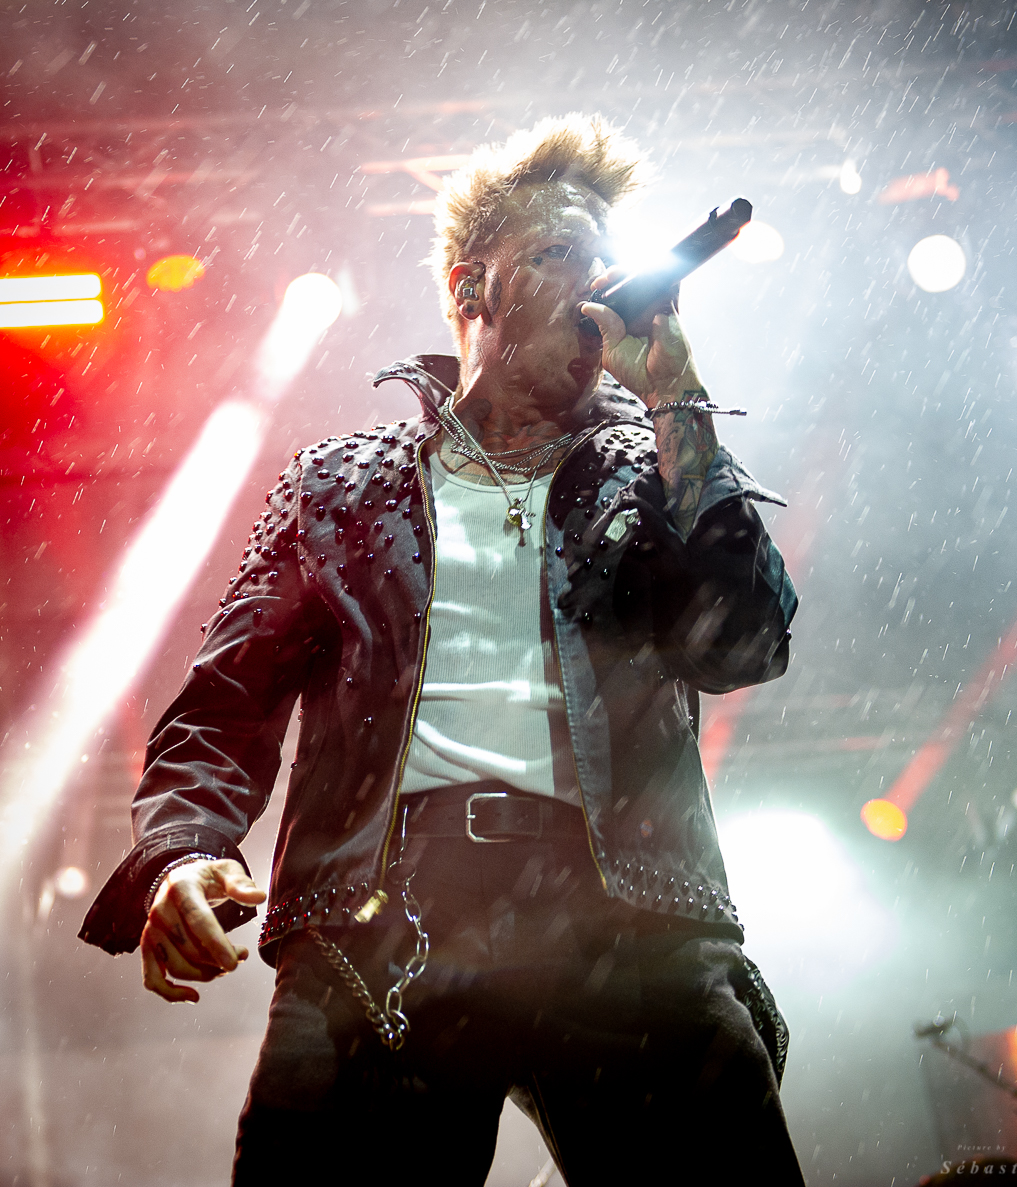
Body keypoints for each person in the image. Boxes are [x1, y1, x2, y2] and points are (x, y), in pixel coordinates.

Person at [81, 113, 803, 1185]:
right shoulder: (338, 485)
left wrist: (676, 400)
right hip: (381, 929)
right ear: (473, 288)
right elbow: (220, 709)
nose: (598, 282)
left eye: (607, 260)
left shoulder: (653, 469)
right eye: (560, 254)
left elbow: (744, 642)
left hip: (629, 930)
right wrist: (182, 854)